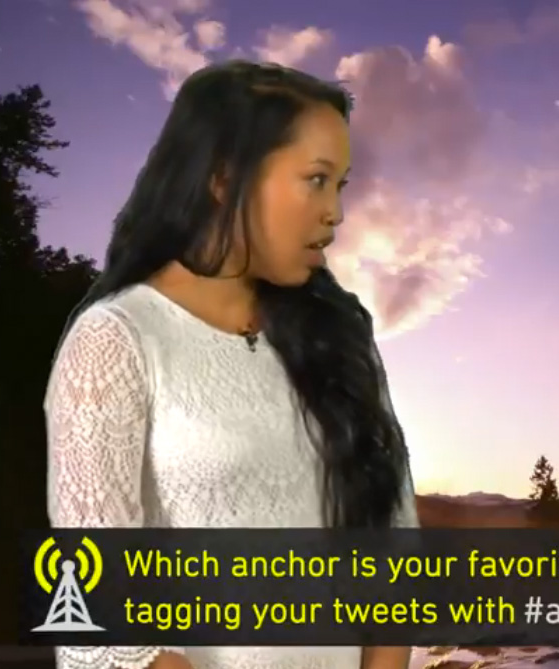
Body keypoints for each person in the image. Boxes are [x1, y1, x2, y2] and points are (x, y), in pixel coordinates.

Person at [44, 61, 418, 669]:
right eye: (316, 179)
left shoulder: (342, 341)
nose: (336, 212)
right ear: (224, 178)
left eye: (341, 185)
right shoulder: (116, 340)